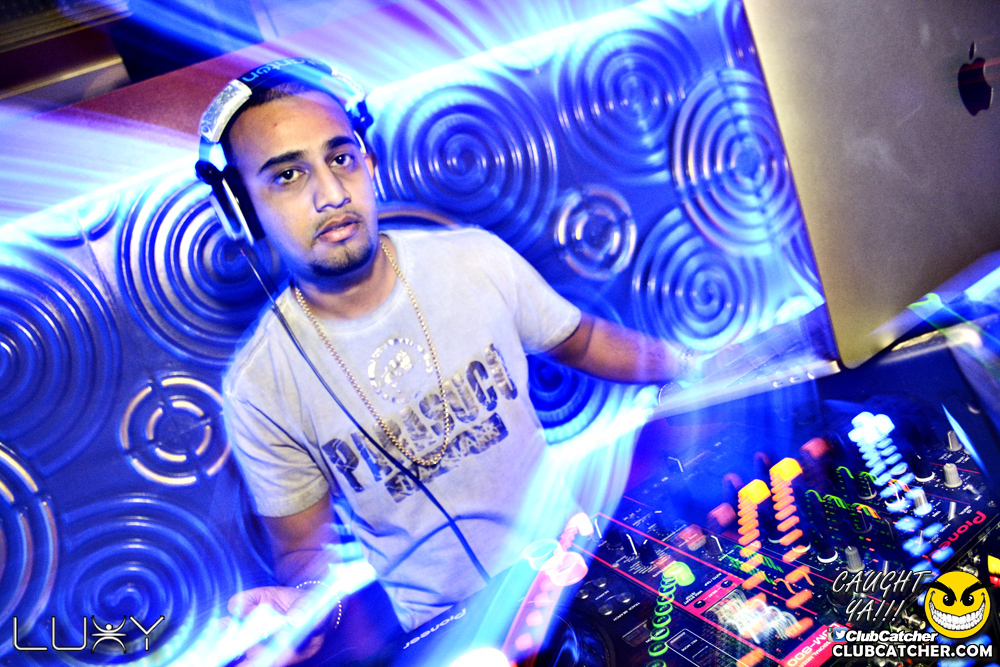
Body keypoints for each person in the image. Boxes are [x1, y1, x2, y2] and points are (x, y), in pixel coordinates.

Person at [205, 59, 693, 665]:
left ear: (369, 164)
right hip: (450, 638)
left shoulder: (474, 259)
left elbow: (585, 341)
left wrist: (692, 363)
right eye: (287, 175)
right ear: (242, 209)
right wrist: (302, 606)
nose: (331, 194)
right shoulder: (258, 385)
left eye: (341, 158)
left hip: (573, 574)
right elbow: (303, 552)